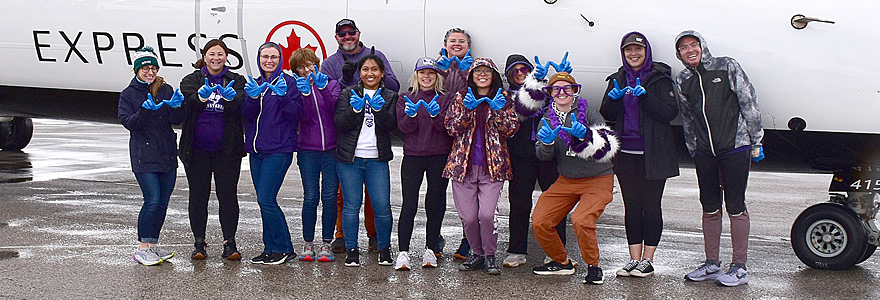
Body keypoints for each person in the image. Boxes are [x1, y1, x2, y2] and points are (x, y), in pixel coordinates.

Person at [674, 30, 764, 287]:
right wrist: (694, 147)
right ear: (679, 54)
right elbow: (687, 117)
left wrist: (756, 140)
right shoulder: (683, 79)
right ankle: (712, 262)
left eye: (693, 45)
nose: (690, 50)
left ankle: (739, 267)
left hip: (734, 147)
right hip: (705, 152)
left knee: (735, 205)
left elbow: (749, 101)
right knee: (709, 205)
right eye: (683, 48)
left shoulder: (727, 66)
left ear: (702, 46)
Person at [599, 32, 679, 278]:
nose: (633, 54)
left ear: (647, 52)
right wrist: (613, 100)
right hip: (626, 154)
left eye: (638, 49)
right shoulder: (618, 78)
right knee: (632, 206)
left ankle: (648, 259)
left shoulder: (660, 79)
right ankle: (633, 259)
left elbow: (669, 113)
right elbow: (607, 113)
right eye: (628, 50)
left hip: (654, 153)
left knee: (651, 206)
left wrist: (646, 98)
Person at [528, 72, 619, 285]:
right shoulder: (546, 120)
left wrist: (586, 137)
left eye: (567, 88)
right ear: (550, 94)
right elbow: (543, 156)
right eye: (556, 89)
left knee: (581, 219)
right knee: (540, 220)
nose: (562, 93)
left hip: (597, 177)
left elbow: (608, 146)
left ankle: (593, 266)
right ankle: (561, 262)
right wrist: (548, 143)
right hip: (567, 179)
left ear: (574, 92)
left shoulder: (589, 112)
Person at [323, 19, 399, 253]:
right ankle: (343, 236)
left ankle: (375, 235)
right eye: (342, 34)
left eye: (351, 32)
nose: (347, 37)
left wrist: (376, 82)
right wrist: (346, 81)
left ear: (358, 34)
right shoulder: (330, 63)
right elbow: (329, 96)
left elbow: (393, 86)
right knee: (344, 197)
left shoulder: (375, 56)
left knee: (377, 199)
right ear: (337, 37)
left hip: (374, 145)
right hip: (347, 141)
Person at [443, 58, 518, 275]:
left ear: (494, 75)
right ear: (471, 76)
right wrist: (467, 111)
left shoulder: (503, 98)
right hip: (463, 167)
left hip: (492, 168)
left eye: (487, 71)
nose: (482, 75)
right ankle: (476, 253)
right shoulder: (461, 97)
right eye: (478, 71)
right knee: (468, 216)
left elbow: (511, 129)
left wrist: (496, 111)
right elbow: (451, 127)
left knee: (486, 214)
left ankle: (490, 255)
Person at [178, 39, 246, 261]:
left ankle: (230, 242)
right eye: (211, 54)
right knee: (199, 196)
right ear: (204, 56)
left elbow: (239, 104)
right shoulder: (191, 79)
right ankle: (199, 242)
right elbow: (190, 101)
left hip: (227, 151)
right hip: (197, 151)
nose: (216, 58)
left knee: (227, 196)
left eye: (220, 54)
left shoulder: (236, 80)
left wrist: (230, 98)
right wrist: (200, 96)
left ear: (227, 57)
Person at [119, 47, 185, 265]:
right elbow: (130, 123)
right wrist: (145, 110)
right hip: (144, 156)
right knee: (152, 200)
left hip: (166, 154)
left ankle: (153, 244)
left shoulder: (165, 89)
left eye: (153, 68)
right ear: (136, 70)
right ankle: (142, 246)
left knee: (163, 203)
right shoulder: (128, 95)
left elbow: (175, 120)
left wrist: (177, 107)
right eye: (145, 68)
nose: (150, 72)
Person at [502, 53, 569, 268]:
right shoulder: (506, 97)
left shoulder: (546, 93)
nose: (520, 74)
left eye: (525, 70)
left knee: (555, 204)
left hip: (548, 155)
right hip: (521, 155)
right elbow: (519, 112)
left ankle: (557, 252)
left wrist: (562, 75)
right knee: (519, 203)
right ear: (508, 75)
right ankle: (516, 249)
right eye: (515, 70)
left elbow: (564, 100)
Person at [335, 54, 399, 267]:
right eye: (365, 69)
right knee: (351, 206)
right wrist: (356, 109)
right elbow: (340, 124)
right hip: (350, 159)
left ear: (382, 73)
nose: (369, 73)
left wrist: (379, 110)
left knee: (382, 206)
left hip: (376, 159)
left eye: (374, 69)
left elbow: (392, 126)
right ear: (359, 73)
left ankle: (384, 248)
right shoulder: (348, 93)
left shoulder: (390, 95)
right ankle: (352, 250)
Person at [393, 57, 456, 270]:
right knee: (409, 204)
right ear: (416, 75)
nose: (426, 76)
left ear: (437, 76)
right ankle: (403, 252)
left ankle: (431, 249)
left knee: (435, 202)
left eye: (431, 73)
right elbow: (404, 128)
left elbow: (448, 129)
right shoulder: (406, 97)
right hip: (413, 156)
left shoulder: (446, 98)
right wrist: (411, 116)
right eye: (422, 73)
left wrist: (436, 115)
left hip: (438, 155)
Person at [241, 42, 302, 265]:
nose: (269, 60)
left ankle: (285, 248)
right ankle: (269, 248)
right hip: (257, 151)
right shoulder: (256, 83)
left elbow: (295, 114)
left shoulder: (289, 83)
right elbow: (246, 115)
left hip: (279, 149)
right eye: (265, 56)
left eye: (274, 57)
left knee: (266, 199)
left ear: (280, 59)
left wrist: (283, 96)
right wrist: (250, 97)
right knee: (263, 201)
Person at [288, 48, 342, 262]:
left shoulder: (331, 83)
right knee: (311, 197)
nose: (306, 69)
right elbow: (305, 117)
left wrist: (322, 89)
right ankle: (308, 242)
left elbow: (334, 108)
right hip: (308, 150)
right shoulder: (297, 88)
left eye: (310, 64)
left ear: (317, 64)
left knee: (329, 197)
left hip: (331, 150)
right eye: (301, 67)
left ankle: (326, 243)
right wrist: (305, 95)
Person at [436, 28, 474, 259]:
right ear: (445, 44)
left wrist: (463, 72)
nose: (457, 44)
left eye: (462, 41)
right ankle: (435, 237)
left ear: (469, 46)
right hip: (440, 136)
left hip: (464, 137)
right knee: (438, 192)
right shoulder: (436, 67)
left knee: (467, 193)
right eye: (453, 41)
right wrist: (444, 69)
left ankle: (468, 239)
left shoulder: (475, 68)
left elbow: (470, 94)